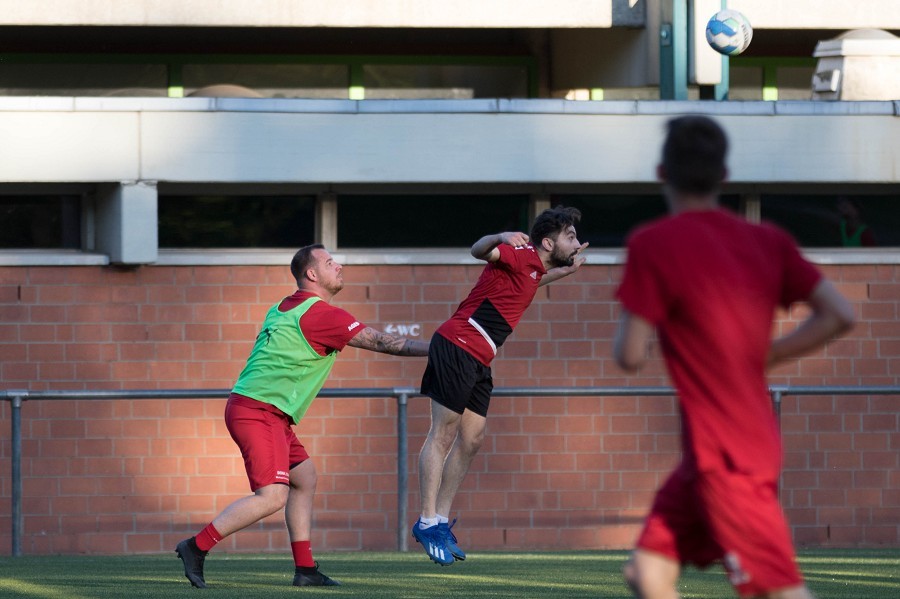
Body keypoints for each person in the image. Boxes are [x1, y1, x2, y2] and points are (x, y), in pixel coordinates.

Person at [613, 115, 855, 599]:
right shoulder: (769, 240)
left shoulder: (652, 244)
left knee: (782, 592)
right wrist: (766, 356)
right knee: (646, 574)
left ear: (662, 173)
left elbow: (630, 355)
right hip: (714, 453)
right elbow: (839, 313)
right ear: (724, 176)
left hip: (726, 458)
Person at [175, 244, 429, 588]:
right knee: (272, 497)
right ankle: (196, 546)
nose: (338, 266)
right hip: (259, 411)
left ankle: (306, 570)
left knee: (304, 478)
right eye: (330, 262)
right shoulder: (323, 315)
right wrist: (442, 349)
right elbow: (384, 343)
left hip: (263, 411)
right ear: (312, 274)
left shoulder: (283, 306)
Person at [412, 206, 589, 566]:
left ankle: (441, 521)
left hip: (480, 356)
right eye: (570, 237)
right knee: (443, 434)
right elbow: (478, 250)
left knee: (472, 439)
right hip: (459, 344)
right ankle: (426, 522)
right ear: (547, 242)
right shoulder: (518, 253)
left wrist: (566, 270)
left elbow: (534, 280)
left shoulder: (534, 269)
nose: (576, 243)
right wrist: (500, 236)